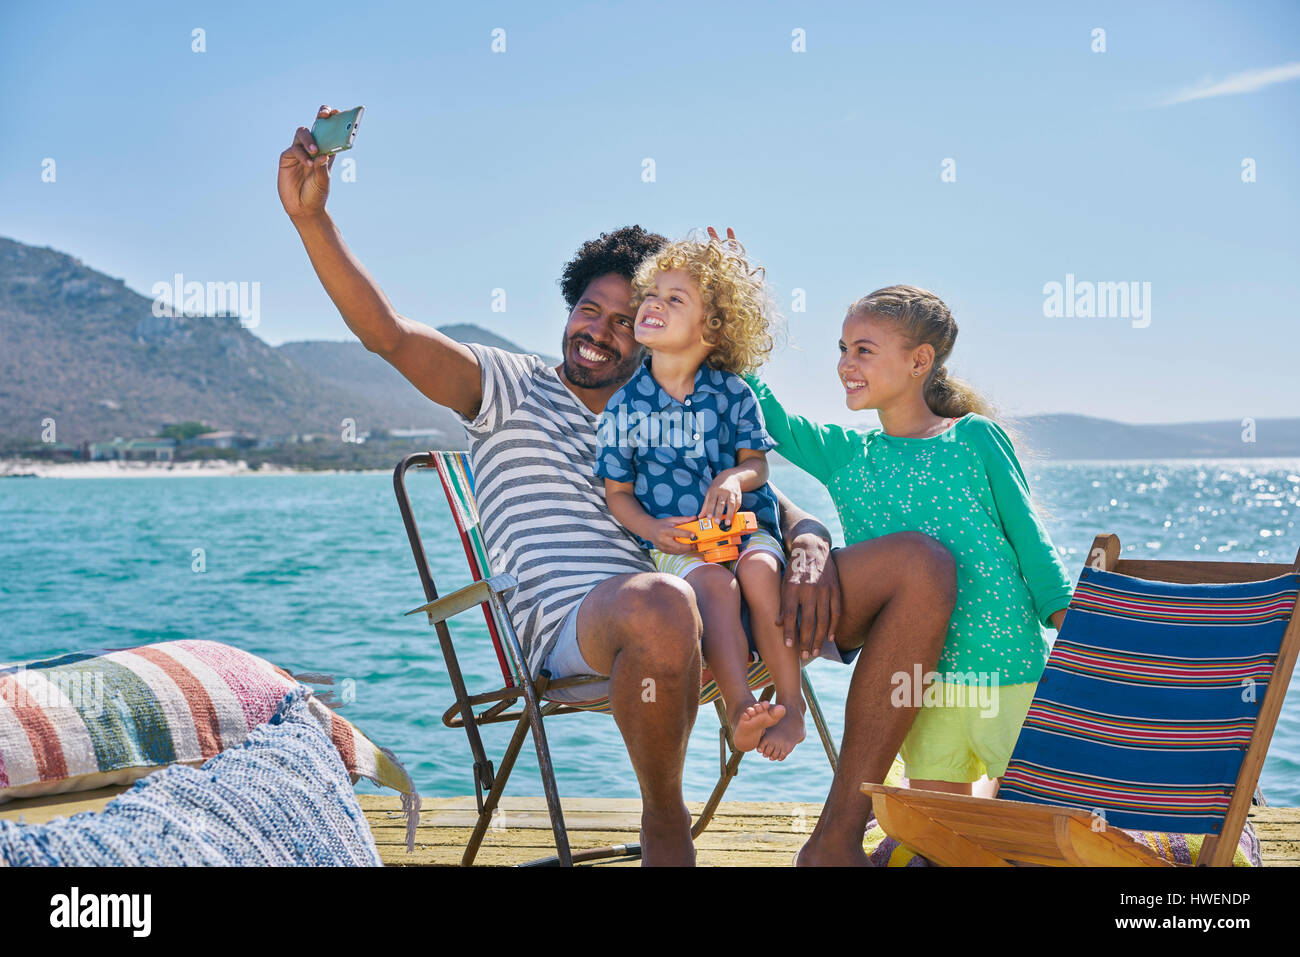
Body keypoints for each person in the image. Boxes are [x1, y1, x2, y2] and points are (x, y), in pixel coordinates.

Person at [279, 109, 957, 865]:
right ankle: (666, 821)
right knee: (663, 599)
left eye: (624, 320)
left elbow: (766, 501)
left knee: (921, 566)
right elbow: (389, 334)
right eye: (586, 310)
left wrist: (807, 541)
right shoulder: (510, 385)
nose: (597, 330)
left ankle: (835, 838)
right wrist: (314, 222)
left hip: (714, 602)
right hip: (582, 621)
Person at [747, 284, 1074, 800]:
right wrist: (736, 306)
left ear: (919, 361)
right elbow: (771, 418)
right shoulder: (845, 456)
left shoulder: (974, 438)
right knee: (937, 835)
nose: (845, 364)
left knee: (1037, 826)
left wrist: (1078, 639)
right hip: (922, 689)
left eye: (863, 350)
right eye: (842, 348)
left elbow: (1032, 545)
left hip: (1010, 672)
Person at [596, 234, 805, 760]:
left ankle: (791, 704)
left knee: (759, 572)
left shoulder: (734, 392)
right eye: (652, 293)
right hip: (681, 540)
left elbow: (756, 463)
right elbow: (617, 493)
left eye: (675, 299)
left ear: (712, 328)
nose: (653, 305)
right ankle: (740, 708)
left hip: (746, 527)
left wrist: (735, 480)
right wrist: (651, 531)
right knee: (712, 584)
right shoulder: (624, 405)